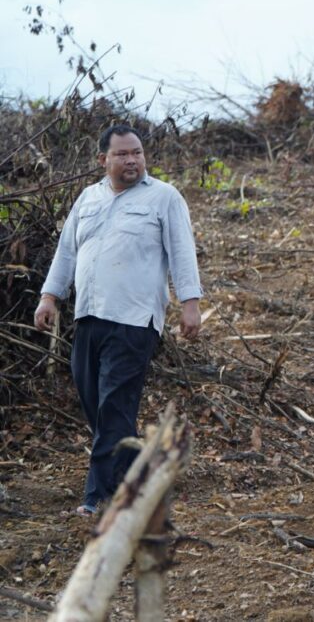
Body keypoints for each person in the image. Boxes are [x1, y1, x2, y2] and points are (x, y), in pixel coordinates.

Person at [34, 125, 203, 517]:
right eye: (123, 154)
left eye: (137, 152)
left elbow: (182, 251)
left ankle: (99, 497)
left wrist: (190, 303)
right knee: (97, 403)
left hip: (134, 318)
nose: (132, 160)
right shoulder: (88, 198)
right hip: (89, 315)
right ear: (103, 160)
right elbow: (67, 252)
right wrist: (49, 296)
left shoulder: (163, 197)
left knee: (113, 406)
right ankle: (138, 475)